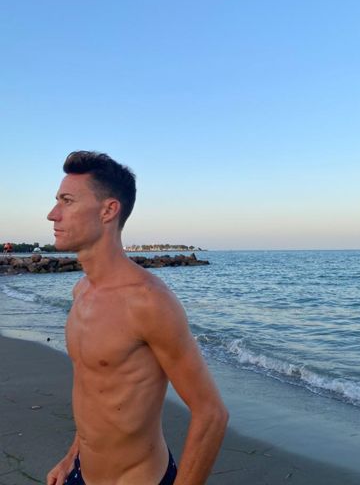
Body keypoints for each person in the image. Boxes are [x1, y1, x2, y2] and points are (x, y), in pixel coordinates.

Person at [46, 151, 228, 485]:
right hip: (82, 474)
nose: (52, 214)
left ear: (108, 210)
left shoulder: (148, 301)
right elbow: (95, 392)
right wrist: (71, 457)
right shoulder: (81, 291)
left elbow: (211, 413)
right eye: (57, 201)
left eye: (67, 201)